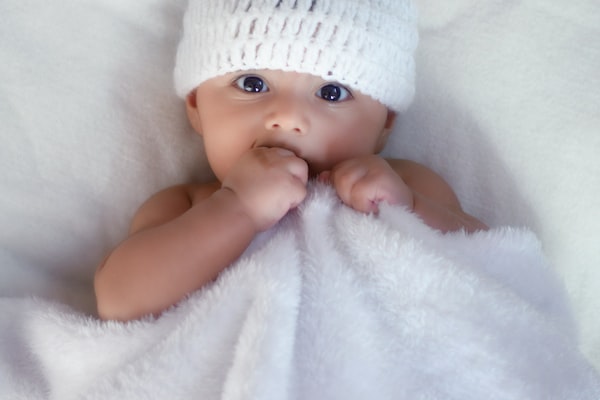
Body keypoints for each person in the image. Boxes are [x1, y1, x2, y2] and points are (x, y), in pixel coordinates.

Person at [94, 0, 487, 322]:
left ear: (385, 123)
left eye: (331, 92)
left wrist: (408, 210)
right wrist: (238, 208)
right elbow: (119, 300)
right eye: (252, 84)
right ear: (196, 106)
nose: (288, 117)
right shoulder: (188, 206)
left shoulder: (408, 185)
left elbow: (489, 272)